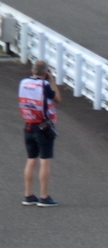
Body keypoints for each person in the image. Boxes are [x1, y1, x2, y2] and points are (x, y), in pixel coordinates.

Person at [19, 59, 60, 206]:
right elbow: (57, 98)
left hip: (28, 124)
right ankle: (44, 196)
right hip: (43, 127)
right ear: (46, 72)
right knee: (45, 162)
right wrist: (52, 81)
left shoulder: (23, 83)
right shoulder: (45, 85)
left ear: (33, 70)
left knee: (31, 160)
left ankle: (28, 194)